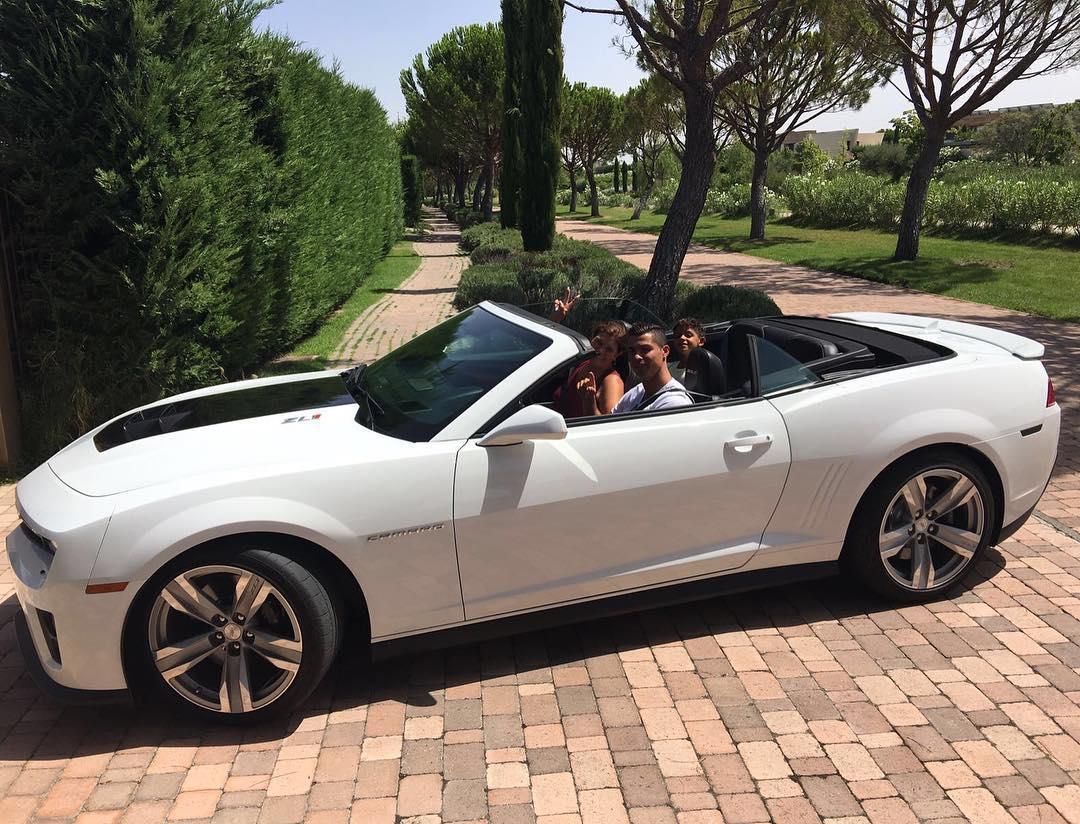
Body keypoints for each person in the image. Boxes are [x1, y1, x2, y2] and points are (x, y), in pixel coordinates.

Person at [578, 322, 692, 415]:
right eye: (632, 351)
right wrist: (589, 401)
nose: (636, 356)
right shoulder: (637, 392)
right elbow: (607, 428)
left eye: (645, 349)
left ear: (665, 351)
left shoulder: (674, 404)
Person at [553, 320, 627, 417]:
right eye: (599, 342)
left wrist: (589, 401)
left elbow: (608, 427)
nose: (600, 350)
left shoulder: (612, 382)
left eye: (609, 349)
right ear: (591, 339)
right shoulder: (582, 363)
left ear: (617, 354)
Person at [669, 317, 706, 383]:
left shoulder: (705, 369)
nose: (682, 338)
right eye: (677, 335)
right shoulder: (667, 367)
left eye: (688, 335)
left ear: (701, 341)